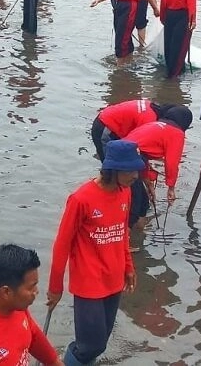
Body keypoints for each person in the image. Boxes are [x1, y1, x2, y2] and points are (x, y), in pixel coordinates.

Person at [47, 139, 140, 366]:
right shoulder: (81, 199)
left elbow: (122, 233)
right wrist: (55, 288)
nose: (136, 175)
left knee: (101, 342)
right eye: (130, 170)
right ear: (113, 170)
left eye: (137, 169)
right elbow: (62, 245)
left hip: (114, 277)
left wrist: (128, 266)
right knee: (91, 345)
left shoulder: (125, 192)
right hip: (88, 281)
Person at [122, 106, 192, 228]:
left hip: (120, 157)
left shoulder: (153, 125)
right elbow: (172, 163)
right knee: (136, 206)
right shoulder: (177, 133)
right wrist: (171, 188)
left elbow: (141, 153)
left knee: (143, 203)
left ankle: (137, 232)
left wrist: (148, 183)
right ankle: (129, 235)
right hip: (128, 163)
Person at [90, 99, 174, 161]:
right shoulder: (149, 120)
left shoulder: (150, 105)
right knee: (110, 166)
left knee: (119, 162)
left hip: (108, 119)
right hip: (105, 127)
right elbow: (139, 147)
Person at [159, 0, 197, 78]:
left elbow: (191, 2)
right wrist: (162, 17)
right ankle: (171, 71)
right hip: (169, 16)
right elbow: (163, 1)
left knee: (177, 47)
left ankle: (174, 75)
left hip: (182, 17)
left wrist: (192, 20)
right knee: (168, 47)